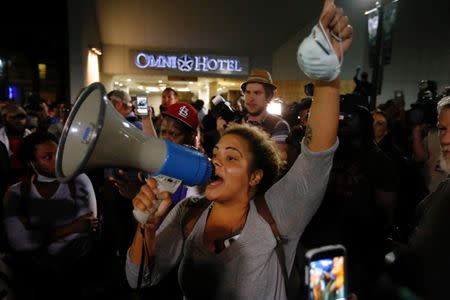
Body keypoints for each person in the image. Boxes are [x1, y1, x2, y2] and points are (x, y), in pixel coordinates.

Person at [125, 1, 352, 298]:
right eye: (216, 153)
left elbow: (316, 152)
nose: (215, 162)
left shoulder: (279, 212)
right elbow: (138, 279)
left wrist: (327, 75)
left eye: (231, 157)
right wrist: (148, 229)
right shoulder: (188, 213)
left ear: (256, 176)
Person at [2, 131, 98, 299]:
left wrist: (41, 237)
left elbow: (85, 232)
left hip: (76, 271)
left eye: (58, 153)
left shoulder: (79, 180)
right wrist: (71, 227)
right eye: (48, 157)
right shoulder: (15, 193)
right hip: (36, 278)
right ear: (31, 163)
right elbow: (20, 242)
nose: (57, 160)